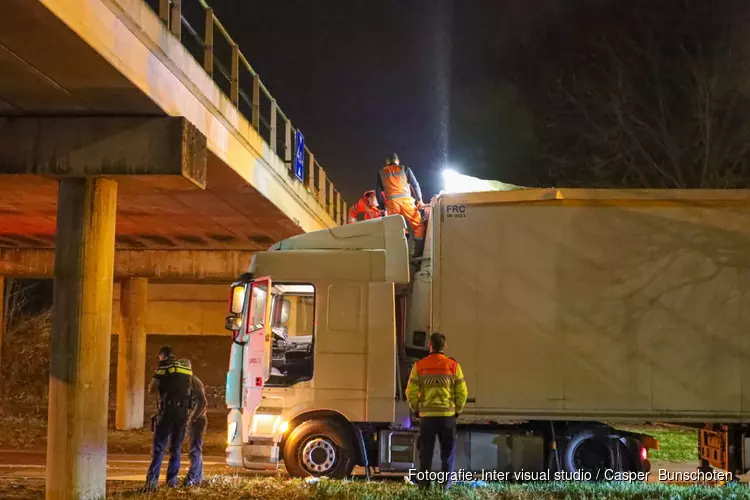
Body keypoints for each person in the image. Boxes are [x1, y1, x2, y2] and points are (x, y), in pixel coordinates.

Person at [405, 332, 468, 490]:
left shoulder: (419, 365)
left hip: (427, 418)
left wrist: (417, 408)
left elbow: (410, 392)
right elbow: (462, 392)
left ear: (430, 345)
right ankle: (445, 488)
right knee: (447, 455)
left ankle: (424, 487)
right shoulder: (453, 366)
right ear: (444, 346)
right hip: (447, 417)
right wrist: (457, 410)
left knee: (425, 455)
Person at [144, 346, 193, 489]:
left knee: (159, 447)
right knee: (176, 448)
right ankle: (172, 482)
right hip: (183, 412)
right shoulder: (185, 368)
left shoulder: (164, 367)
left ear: (162, 356)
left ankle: (151, 483)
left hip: (168, 412)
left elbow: (152, 389)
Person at [375, 153, 426, 256]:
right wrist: (419, 200)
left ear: (387, 162)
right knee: (419, 226)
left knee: (397, 229)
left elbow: (378, 190)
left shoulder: (381, 172)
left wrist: (381, 207)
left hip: (392, 205)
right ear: (398, 161)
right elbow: (415, 184)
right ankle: (417, 255)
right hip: (406, 202)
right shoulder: (405, 169)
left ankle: (399, 255)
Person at [183, 365, 207, 486]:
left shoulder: (193, 382)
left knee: (194, 450)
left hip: (198, 421)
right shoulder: (191, 381)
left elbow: (202, 402)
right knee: (195, 449)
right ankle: (197, 477)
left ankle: (192, 478)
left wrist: (192, 418)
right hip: (197, 420)